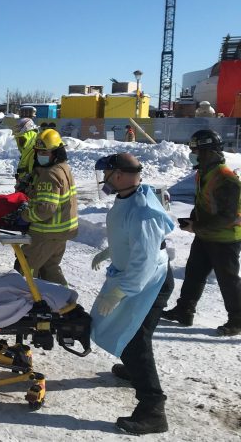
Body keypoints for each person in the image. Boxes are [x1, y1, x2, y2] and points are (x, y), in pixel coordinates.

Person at [90, 152, 174, 434]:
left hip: (149, 281)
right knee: (132, 334)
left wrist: (120, 292)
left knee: (135, 338)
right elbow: (129, 238)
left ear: (120, 175)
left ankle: (153, 409)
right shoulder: (127, 198)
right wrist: (112, 250)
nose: (104, 179)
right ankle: (134, 369)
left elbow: (144, 262)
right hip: (137, 275)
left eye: (108, 173)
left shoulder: (142, 212)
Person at [161, 129, 241, 336]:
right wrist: (193, 219)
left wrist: (195, 227)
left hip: (225, 239)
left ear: (208, 152)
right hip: (205, 235)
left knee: (228, 280)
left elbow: (227, 216)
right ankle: (184, 311)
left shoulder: (227, 179)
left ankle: (237, 320)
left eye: (196, 150)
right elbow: (204, 203)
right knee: (194, 274)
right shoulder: (203, 173)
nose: (193, 154)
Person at [16, 128, 77, 285]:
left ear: (56, 152)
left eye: (46, 152)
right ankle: (64, 302)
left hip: (46, 232)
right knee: (49, 268)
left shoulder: (49, 174)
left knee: (25, 267)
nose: (41, 156)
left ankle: (28, 299)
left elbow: (45, 209)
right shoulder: (64, 168)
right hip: (61, 231)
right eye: (39, 152)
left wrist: (24, 215)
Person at [13, 117, 39, 192]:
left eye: (22, 139)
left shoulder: (35, 150)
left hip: (30, 193)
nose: (19, 142)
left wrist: (26, 185)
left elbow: (37, 175)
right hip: (23, 189)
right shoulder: (27, 150)